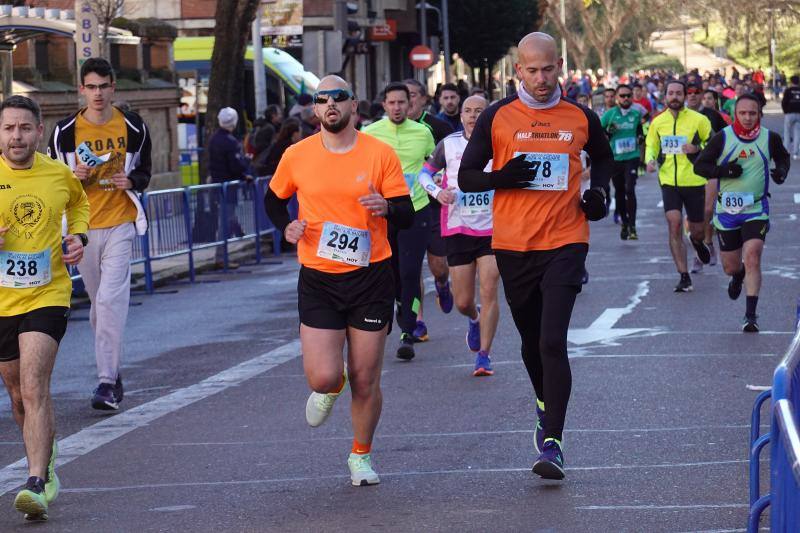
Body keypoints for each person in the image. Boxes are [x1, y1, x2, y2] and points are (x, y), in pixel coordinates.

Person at [459, 32, 613, 479]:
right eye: (532, 70)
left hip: (566, 239)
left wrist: (598, 192)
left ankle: (553, 443)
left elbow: (602, 159)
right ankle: (544, 401)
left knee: (551, 340)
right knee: (530, 342)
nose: (542, 79)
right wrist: (503, 177)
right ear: (518, 72)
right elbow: (468, 176)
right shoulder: (497, 117)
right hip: (513, 244)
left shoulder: (581, 116)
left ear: (560, 64)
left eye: (549, 69)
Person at [264, 76, 413, 486]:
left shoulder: (379, 154)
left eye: (339, 97)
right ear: (315, 110)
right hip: (319, 278)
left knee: (367, 378)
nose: (330, 103)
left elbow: (406, 212)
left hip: (371, 276)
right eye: (322, 99)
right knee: (324, 377)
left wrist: (386, 206)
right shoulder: (297, 155)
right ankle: (332, 384)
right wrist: (286, 227)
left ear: (354, 107)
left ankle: (361, 456)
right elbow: (273, 199)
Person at [0, 95, 90, 520]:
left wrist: (80, 238)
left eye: (23, 128)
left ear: (39, 132)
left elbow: (79, 203)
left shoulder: (58, 173)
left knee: (35, 386)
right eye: (8, 128)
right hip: (2, 299)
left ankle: (36, 482)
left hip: (47, 293)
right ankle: (46, 453)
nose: (16, 136)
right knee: (17, 395)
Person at [47, 57, 151, 411]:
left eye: (103, 86)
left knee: (109, 300)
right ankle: (114, 370)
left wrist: (133, 181)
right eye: (90, 87)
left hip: (121, 221)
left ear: (113, 88)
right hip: (84, 227)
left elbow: (146, 169)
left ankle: (106, 382)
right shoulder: (65, 132)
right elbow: (54, 179)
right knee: (98, 305)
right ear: (81, 89)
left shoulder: (134, 127)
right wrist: (73, 177)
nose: (97, 93)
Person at [418, 95, 501, 376]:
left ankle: (484, 356)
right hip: (457, 227)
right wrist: (437, 192)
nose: (473, 115)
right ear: (461, 115)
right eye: (468, 111)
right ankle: (474, 319)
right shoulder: (448, 144)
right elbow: (424, 174)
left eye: (479, 111)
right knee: (463, 301)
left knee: (489, 289)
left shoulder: (500, 142)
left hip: (493, 228)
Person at [694, 94, 789, 332]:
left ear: (759, 115)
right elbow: (700, 166)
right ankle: (738, 276)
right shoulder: (723, 138)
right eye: (743, 113)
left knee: (753, 254)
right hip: (727, 210)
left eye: (752, 113)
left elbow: (783, 158)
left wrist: (781, 172)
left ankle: (750, 315)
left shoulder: (770, 138)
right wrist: (723, 170)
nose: (747, 118)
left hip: (756, 207)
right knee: (731, 266)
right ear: (736, 114)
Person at [363, 83, 435, 360]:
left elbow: (432, 165)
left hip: (416, 210)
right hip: (384, 213)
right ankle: (399, 306)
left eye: (401, 103)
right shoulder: (370, 134)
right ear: (384, 105)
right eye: (391, 103)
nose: (397, 108)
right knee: (389, 272)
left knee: (410, 271)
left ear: (410, 104)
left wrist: (436, 182)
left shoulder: (423, 133)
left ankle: (408, 330)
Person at [645, 80, 712, 292]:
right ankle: (683, 275)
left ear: (684, 96)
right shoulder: (658, 122)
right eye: (671, 93)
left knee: (698, 231)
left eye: (678, 93)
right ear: (665, 96)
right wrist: (649, 160)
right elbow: (651, 146)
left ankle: (698, 242)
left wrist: (697, 147)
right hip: (668, 181)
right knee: (673, 222)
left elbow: (713, 144)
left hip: (694, 181)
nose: (674, 96)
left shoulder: (699, 120)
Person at [404, 78, 455, 339]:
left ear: (424, 99)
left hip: (433, 205)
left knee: (438, 266)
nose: (407, 101)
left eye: (412, 95)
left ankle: (443, 283)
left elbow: (454, 160)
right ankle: (417, 321)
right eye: (403, 96)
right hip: (405, 208)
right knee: (410, 268)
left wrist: (440, 178)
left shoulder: (438, 127)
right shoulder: (387, 130)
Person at [686, 82, 727, 272]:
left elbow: (725, 140)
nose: (692, 96)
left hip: (710, 168)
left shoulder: (712, 115)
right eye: (689, 93)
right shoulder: (678, 116)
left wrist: (699, 148)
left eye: (696, 92)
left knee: (708, 210)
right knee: (695, 214)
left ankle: (709, 242)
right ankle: (699, 252)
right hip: (687, 170)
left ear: (701, 94)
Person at [207, 107, 252, 268]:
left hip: (217, 184)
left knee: (227, 218)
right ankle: (221, 257)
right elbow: (235, 166)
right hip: (227, 186)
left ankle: (237, 230)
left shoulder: (214, 139)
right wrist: (245, 167)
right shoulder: (230, 142)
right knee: (225, 221)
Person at [600, 84, 644, 240]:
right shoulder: (610, 114)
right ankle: (624, 222)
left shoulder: (636, 113)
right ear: (617, 98)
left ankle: (632, 226)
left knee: (630, 189)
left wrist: (640, 137)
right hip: (616, 159)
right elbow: (598, 134)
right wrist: (608, 131)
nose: (626, 98)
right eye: (622, 96)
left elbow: (639, 129)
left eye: (628, 95)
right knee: (619, 192)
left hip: (632, 157)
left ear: (632, 97)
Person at [781, 75, 800, 160]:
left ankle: (785, 152)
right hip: (799, 114)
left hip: (789, 113)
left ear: (791, 82)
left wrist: (785, 111)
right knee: (797, 134)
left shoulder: (788, 90)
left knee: (787, 133)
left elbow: (784, 101)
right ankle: (795, 153)